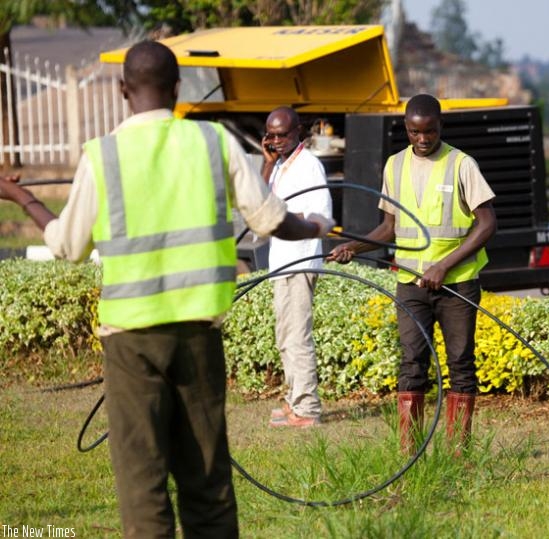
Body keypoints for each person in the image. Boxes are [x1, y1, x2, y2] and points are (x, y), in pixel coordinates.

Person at [0, 40, 333, 538]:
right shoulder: (214, 143)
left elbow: (66, 245)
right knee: (207, 483)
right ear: (178, 89)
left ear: (121, 90)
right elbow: (271, 220)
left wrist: (20, 195)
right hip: (198, 336)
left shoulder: (103, 156)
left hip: (131, 342)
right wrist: (315, 226)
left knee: (143, 484)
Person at [327, 93, 497, 455]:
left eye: (430, 131)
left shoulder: (461, 164)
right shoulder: (394, 166)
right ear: (406, 128)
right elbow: (389, 227)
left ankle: (458, 454)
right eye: (416, 132)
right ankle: (411, 453)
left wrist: (444, 265)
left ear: (440, 127)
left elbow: (486, 225)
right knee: (411, 364)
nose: (423, 139)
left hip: (458, 284)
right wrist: (352, 247)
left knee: (461, 365)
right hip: (410, 285)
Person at [261, 106, 332, 428]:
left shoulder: (309, 166)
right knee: (285, 336)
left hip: (300, 260)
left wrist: (285, 220)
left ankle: (307, 409)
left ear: (297, 132)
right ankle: (294, 401)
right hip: (281, 262)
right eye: (271, 135)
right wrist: (266, 162)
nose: (276, 141)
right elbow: (259, 204)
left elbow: (321, 215)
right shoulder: (277, 166)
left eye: (282, 135)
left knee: (298, 336)